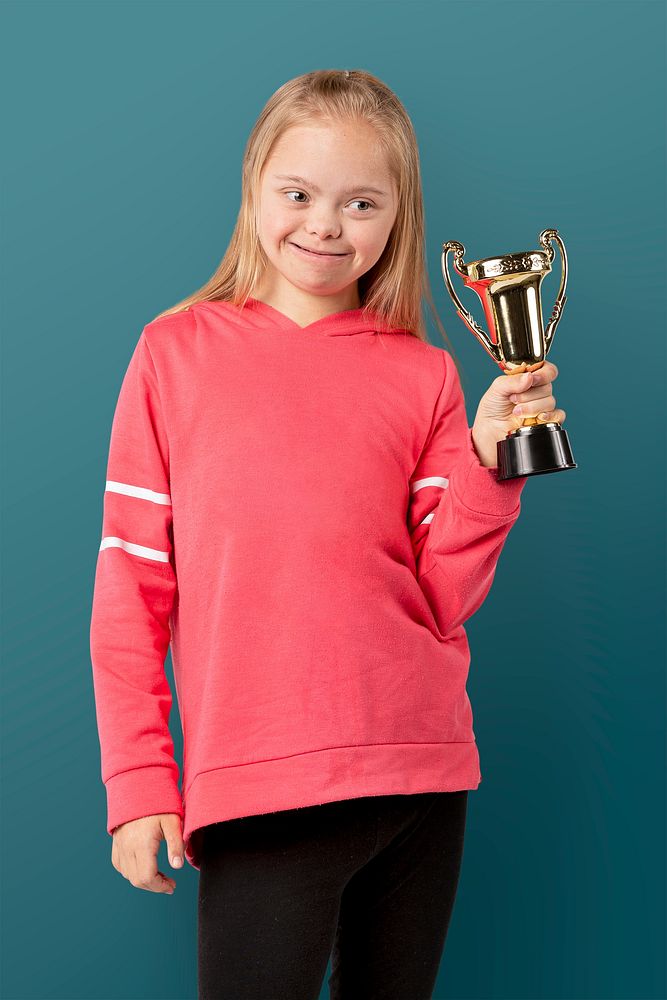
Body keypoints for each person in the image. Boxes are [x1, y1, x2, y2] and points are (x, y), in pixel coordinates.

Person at [89, 69, 564, 999]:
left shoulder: (425, 375)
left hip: (420, 775)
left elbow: (444, 595)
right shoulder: (172, 354)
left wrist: (488, 460)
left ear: (397, 216)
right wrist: (140, 781)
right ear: (254, 184)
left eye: (360, 202)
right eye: (298, 193)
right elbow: (130, 590)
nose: (324, 223)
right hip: (261, 784)